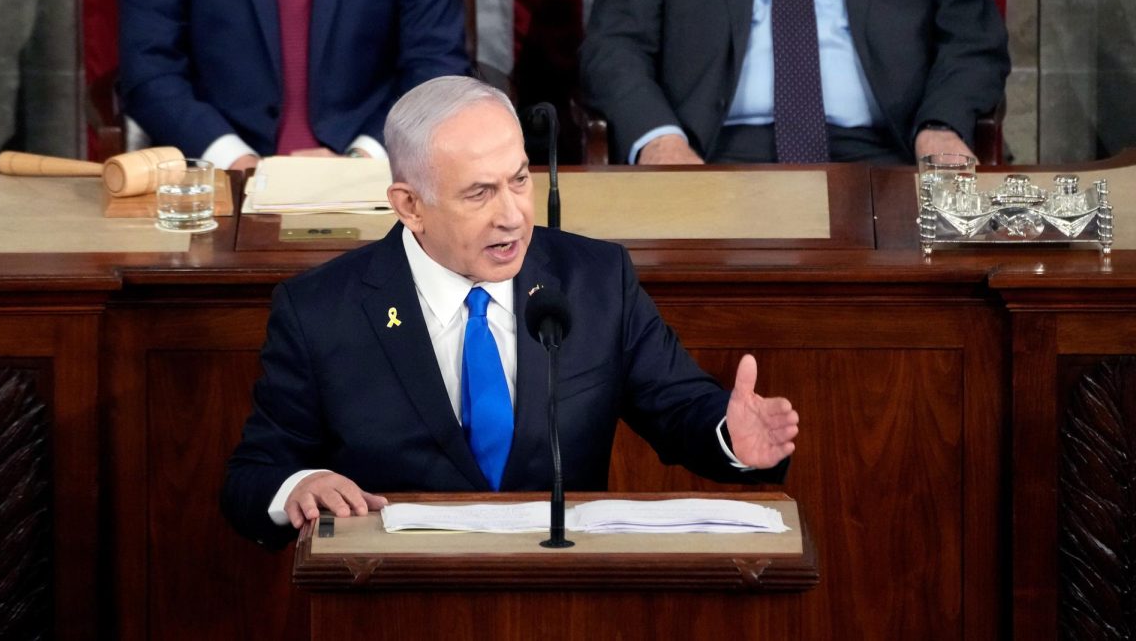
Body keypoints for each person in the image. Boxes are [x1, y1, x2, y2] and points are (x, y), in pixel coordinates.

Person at [221, 76, 800, 548]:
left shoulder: (595, 279)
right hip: (396, 603)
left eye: (519, 180)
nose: (513, 216)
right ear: (409, 206)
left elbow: (680, 409)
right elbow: (252, 478)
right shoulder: (323, 310)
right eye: (479, 193)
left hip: (563, 600)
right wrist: (299, 485)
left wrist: (730, 435)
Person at [580, 0, 1010, 165]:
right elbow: (613, 46)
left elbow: (973, 40)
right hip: (710, 158)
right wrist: (660, 142)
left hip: (887, 157)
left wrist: (940, 126)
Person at [118, 0, 470, 171]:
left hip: (379, 175)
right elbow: (149, 70)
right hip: (218, 182)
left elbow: (436, 66)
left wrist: (361, 161)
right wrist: (237, 163)